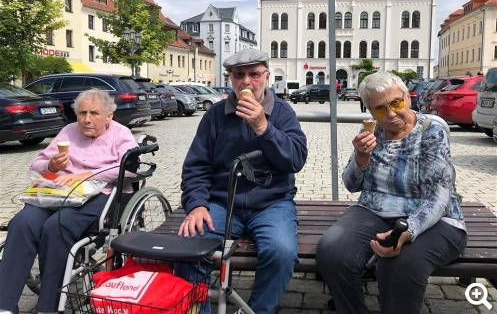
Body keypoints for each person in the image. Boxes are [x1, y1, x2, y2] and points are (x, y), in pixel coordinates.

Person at [316, 72, 467, 314]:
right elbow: (350, 184)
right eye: (379, 109)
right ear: (370, 110)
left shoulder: (431, 129)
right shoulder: (372, 131)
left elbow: (439, 195)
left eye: (396, 103)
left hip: (433, 217)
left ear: (407, 98)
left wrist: (409, 230)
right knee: (332, 251)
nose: (390, 114)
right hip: (374, 209)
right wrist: (361, 158)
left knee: (399, 264)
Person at [178, 48, 308, 313]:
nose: (247, 81)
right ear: (230, 79)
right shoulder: (215, 115)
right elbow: (196, 166)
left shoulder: (282, 112)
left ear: (267, 76)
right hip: (222, 203)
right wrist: (197, 205)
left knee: (281, 252)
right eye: (239, 75)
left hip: (272, 203)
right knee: (189, 249)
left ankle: (258, 310)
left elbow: (295, 159)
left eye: (254, 74)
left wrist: (263, 127)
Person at [0, 89, 137, 314]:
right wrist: (51, 166)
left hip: (100, 195)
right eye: (82, 113)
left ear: (109, 116)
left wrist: (90, 175)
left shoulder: (121, 134)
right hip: (60, 193)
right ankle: (4, 305)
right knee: (22, 223)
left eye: (94, 113)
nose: (87, 119)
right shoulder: (68, 131)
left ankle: (48, 306)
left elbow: (130, 169)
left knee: (56, 227)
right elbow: (37, 164)